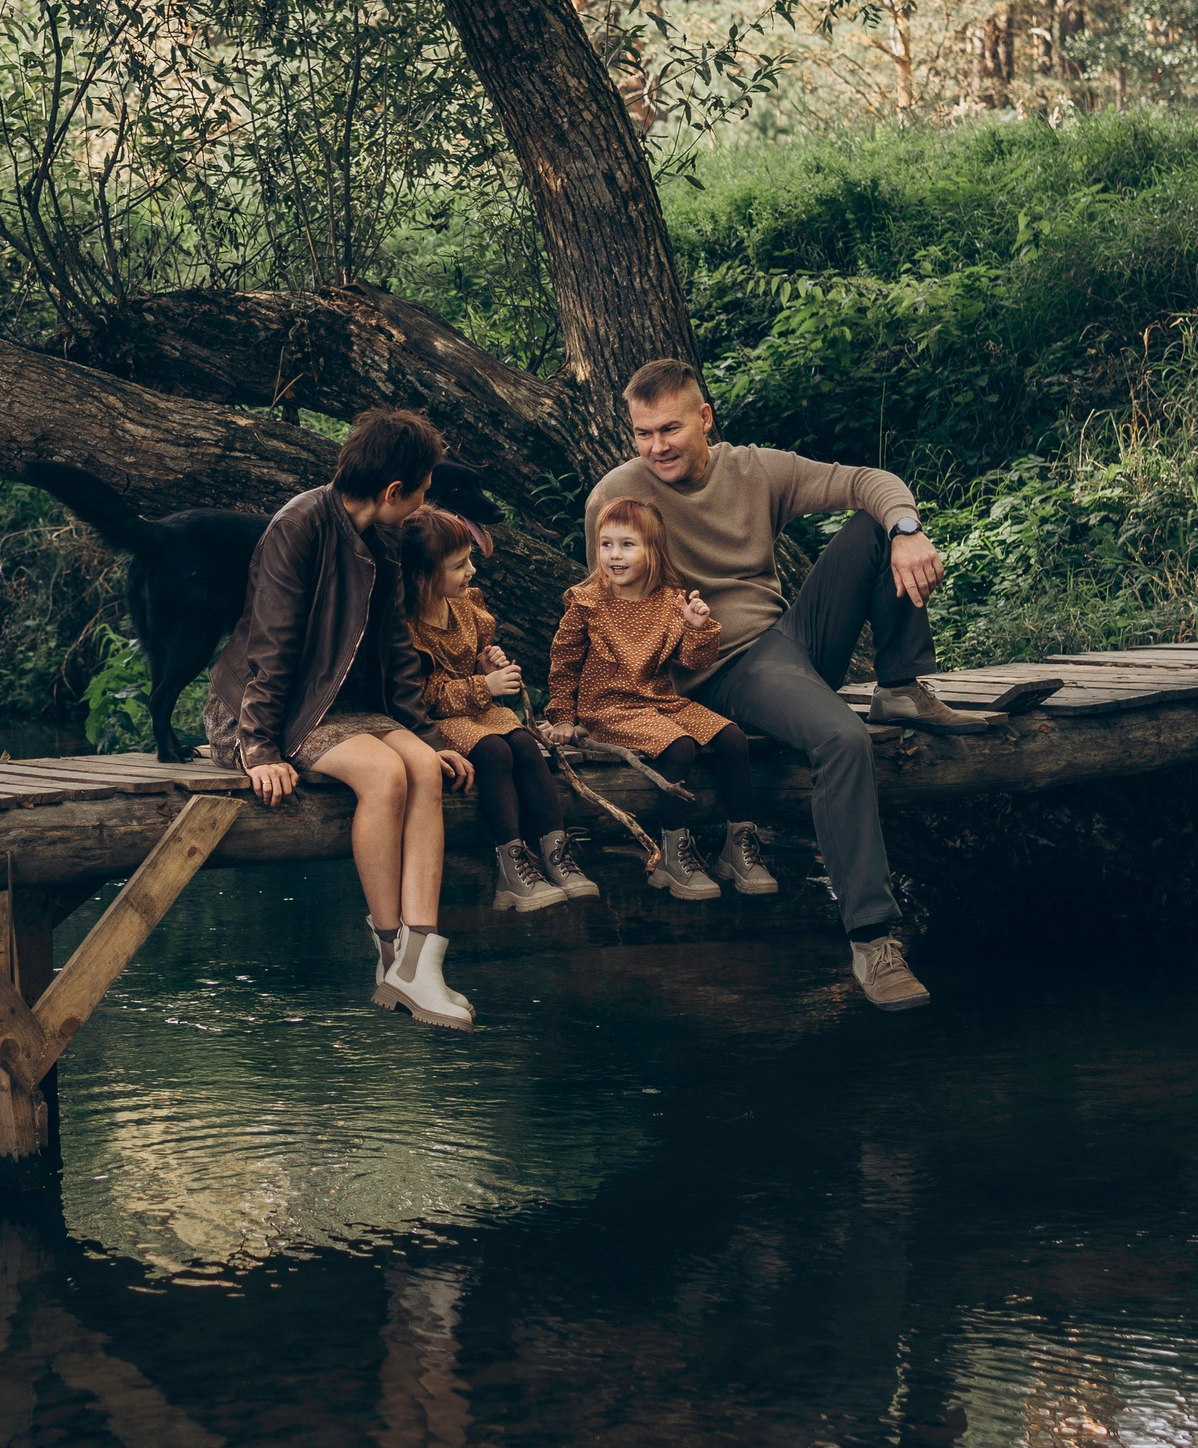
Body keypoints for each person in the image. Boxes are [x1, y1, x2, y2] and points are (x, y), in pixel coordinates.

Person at [583, 358, 991, 1010]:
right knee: (841, 736)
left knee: (873, 525)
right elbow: (614, 623)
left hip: (787, 644)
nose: (656, 446)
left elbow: (867, 478)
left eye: (669, 429)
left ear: (704, 419)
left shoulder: (754, 469)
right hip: (721, 668)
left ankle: (903, 683)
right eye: (642, 433)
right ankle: (872, 939)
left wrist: (907, 529)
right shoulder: (618, 497)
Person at [204, 408, 478, 1031]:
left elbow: (397, 649)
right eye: (422, 491)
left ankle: (418, 964)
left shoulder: (384, 539)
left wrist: (428, 737)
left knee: (423, 771)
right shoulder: (297, 526)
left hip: (345, 707)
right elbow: (271, 648)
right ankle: (389, 953)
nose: (424, 502)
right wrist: (260, 749)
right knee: (385, 776)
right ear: (392, 492)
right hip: (267, 709)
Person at [543, 498, 773, 902]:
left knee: (734, 739)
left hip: (661, 702)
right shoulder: (587, 601)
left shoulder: (671, 601)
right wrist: (563, 716)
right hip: (608, 708)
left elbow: (693, 660)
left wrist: (697, 628)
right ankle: (672, 853)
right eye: (606, 544)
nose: (615, 555)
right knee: (680, 745)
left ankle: (738, 845)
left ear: (653, 550)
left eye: (628, 544)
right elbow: (564, 661)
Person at [396, 505, 590, 914]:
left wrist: (484, 667)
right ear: (423, 575)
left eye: (468, 560)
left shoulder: (466, 605)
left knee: (524, 745)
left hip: (478, 709)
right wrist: (483, 685)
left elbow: (467, 663)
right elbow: (421, 697)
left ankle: (556, 853)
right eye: (458, 565)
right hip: (435, 724)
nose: (472, 572)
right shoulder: (407, 627)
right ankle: (512, 866)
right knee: (495, 752)